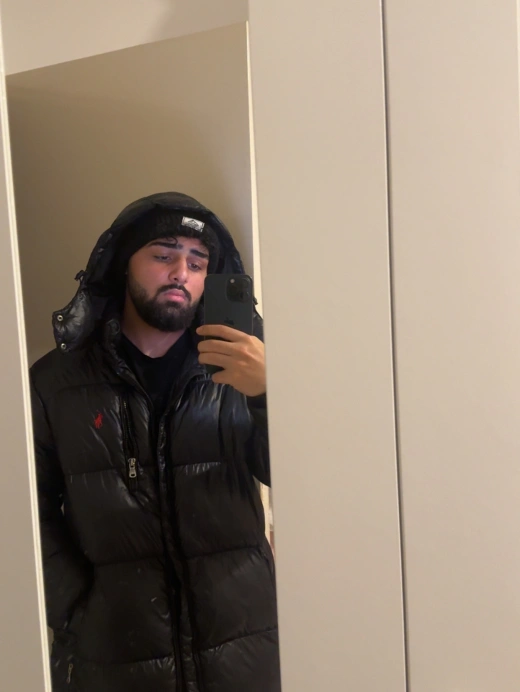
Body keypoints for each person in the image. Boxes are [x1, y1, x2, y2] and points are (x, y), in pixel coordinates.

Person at [30, 192, 280, 692]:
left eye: (197, 263)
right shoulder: (56, 382)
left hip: (244, 649)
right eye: (163, 255)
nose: (180, 274)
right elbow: (25, 510)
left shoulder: (245, 369)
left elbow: (301, 482)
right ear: (125, 264)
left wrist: (269, 395)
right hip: (115, 655)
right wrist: (76, 609)